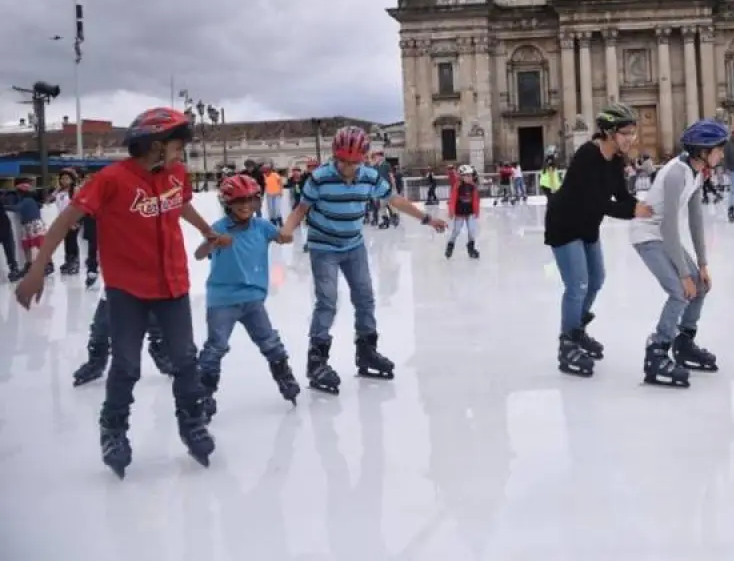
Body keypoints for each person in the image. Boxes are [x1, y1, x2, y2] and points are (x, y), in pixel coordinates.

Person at [15, 107, 230, 478]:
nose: (182, 154)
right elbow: (66, 221)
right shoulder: (111, 179)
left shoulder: (176, 174)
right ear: (156, 145)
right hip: (128, 290)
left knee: (185, 360)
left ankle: (191, 422)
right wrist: (37, 268)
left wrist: (207, 231)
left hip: (173, 284)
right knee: (127, 364)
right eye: (178, 146)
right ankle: (113, 429)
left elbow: (180, 205)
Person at [279, 125, 447, 395]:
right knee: (327, 300)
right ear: (335, 156)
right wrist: (287, 229)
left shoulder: (369, 177)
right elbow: (301, 209)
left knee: (365, 297)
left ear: (363, 159)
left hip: (354, 245)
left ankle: (367, 351)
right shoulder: (320, 178)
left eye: (353, 162)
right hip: (323, 247)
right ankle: (317, 361)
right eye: (342, 161)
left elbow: (395, 200)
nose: (347, 167)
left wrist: (427, 218)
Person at [544, 103, 652, 377]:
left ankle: (576, 328)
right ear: (608, 133)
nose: (630, 138)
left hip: (588, 225)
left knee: (597, 279)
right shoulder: (587, 155)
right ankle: (567, 343)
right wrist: (631, 211)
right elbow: (598, 202)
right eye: (625, 133)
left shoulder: (616, 160)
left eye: (632, 133)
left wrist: (643, 206)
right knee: (577, 284)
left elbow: (621, 195)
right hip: (565, 225)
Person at [631, 119, 728, 388]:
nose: (722, 154)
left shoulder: (697, 173)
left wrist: (703, 264)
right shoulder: (676, 174)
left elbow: (695, 220)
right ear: (702, 151)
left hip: (663, 235)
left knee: (699, 285)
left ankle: (684, 341)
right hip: (648, 235)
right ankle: (657, 352)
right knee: (680, 291)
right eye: (718, 149)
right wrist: (684, 274)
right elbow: (668, 225)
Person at [194, 174, 300, 418]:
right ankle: (205, 391)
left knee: (269, 341)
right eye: (239, 201)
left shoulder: (262, 226)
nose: (245, 206)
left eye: (250, 200)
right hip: (223, 300)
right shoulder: (218, 228)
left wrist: (286, 234)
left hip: (253, 299)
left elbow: (281, 235)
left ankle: (284, 377)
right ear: (227, 203)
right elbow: (199, 255)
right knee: (216, 346)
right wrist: (214, 243)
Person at [445, 164, 481, 259]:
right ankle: (450, 245)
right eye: (467, 175)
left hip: (470, 212)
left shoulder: (473, 186)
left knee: (472, 231)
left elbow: (476, 199)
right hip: (460, 213)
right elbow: (452, 200)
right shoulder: (457, 186)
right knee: (456, 230)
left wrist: (476, 211)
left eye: (470, 175)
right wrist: (451, 211)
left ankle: (471, 249)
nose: (470, 177)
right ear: (461, 176)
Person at [51, 169, 82, 275]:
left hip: (73, 219)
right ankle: (68, 260)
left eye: (67, 178)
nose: (64, 180)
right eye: (62, 178)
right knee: (66, 241)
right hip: (63, 220)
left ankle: (75, 261)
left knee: (72, 240)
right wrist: (56, 190)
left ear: (72, 180)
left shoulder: (75, 190)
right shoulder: (59, 191)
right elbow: (48, 199)